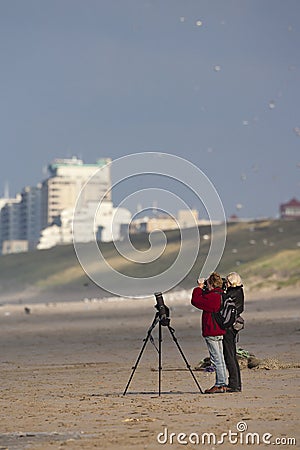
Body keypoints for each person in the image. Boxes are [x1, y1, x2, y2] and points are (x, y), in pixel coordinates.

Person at [191, 272, 227, 394]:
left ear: (211, 284)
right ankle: (223, 382)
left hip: (212, 330)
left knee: (216, 358)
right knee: (220, 358)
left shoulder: (213, 297)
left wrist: (199, 287)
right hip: (220, 329)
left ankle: (220, 384)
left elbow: (196, 300)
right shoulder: (221, 294)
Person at [222, 272, 245, 392]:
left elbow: (223, 304)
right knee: (232, 355)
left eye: (226, 281)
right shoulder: (239, 291)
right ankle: (236, 383)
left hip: (229, 328)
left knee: (229, 355)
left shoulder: (232, 294)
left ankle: (234, 384)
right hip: (234, 326)